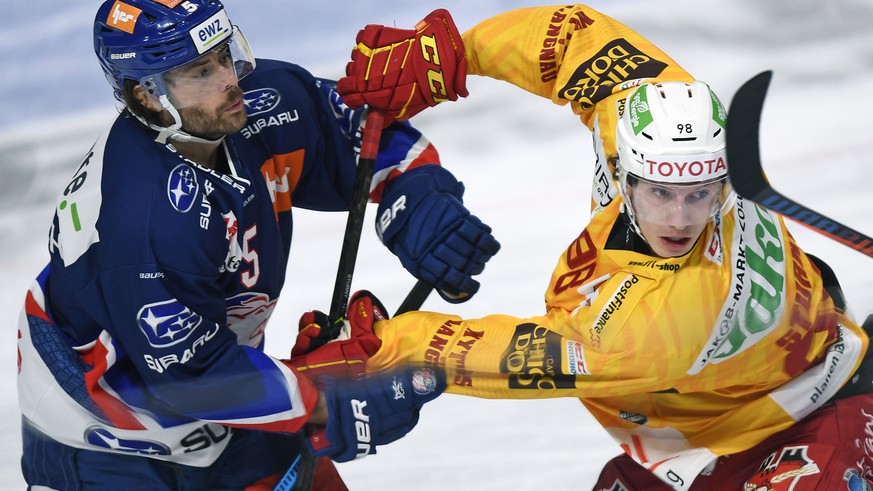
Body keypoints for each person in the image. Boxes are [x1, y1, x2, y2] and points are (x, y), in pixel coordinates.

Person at [321, 5, 873, 490]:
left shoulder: (664, 320)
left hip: (810, 417)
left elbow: (513, 355)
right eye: (660, 192)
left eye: (700, 195)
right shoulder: (662, 113)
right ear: (624, 170)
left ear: (724, 181)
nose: (679, 219)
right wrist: (452, 55)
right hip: (705, 430)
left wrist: (385, 346)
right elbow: (570, 41)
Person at [16, 1, 499, 489]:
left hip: (232, 406)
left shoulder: (261, 104)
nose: (228, 78)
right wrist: (318, 399)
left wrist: (420, 201)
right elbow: (192, 377)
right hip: (109, 446)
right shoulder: (140, 220)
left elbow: (368, 138)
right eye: (201, 71)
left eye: (224, 55)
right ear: (146, 95)